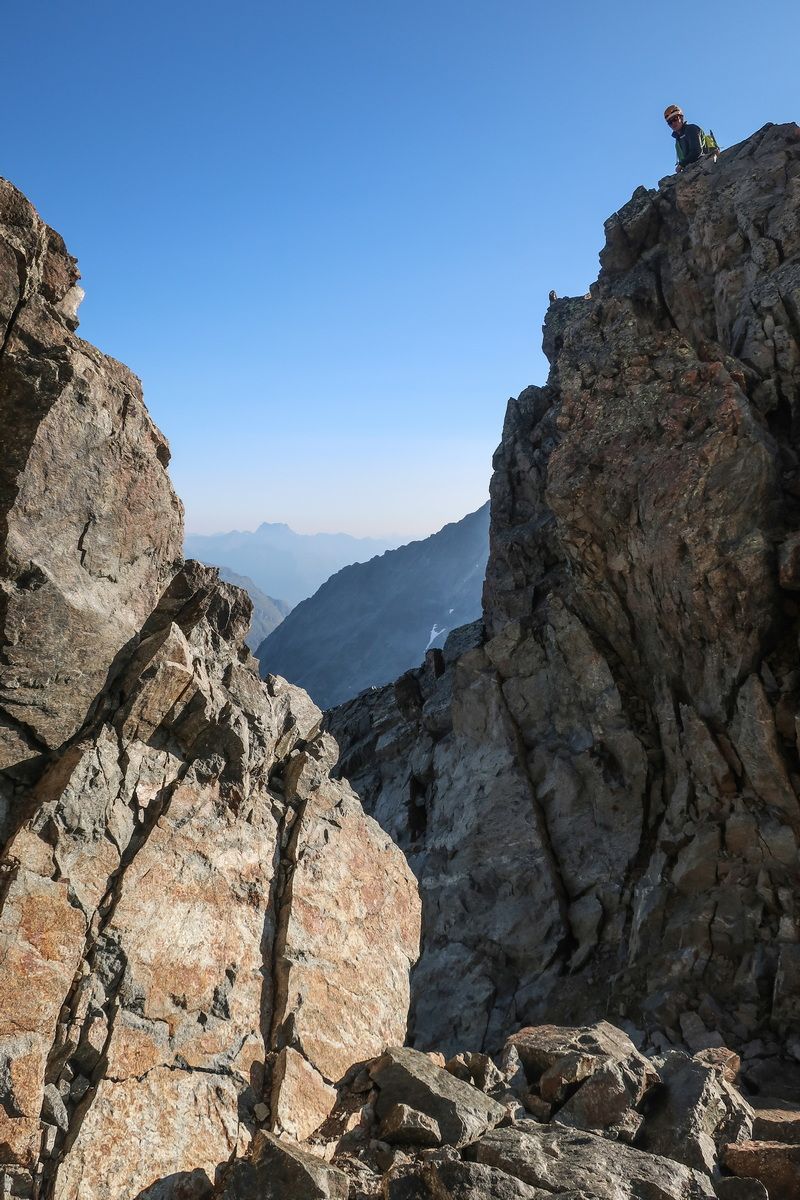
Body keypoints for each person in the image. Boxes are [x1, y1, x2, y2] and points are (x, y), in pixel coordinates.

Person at [664, 105, 709, 172]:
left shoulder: (691, 129)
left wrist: (682, 164)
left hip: (704, 164)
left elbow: (696, 151)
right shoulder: (678, 140)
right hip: (692, 168)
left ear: (681, 118)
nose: (673, 123)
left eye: (675, 119)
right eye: (670, 122)